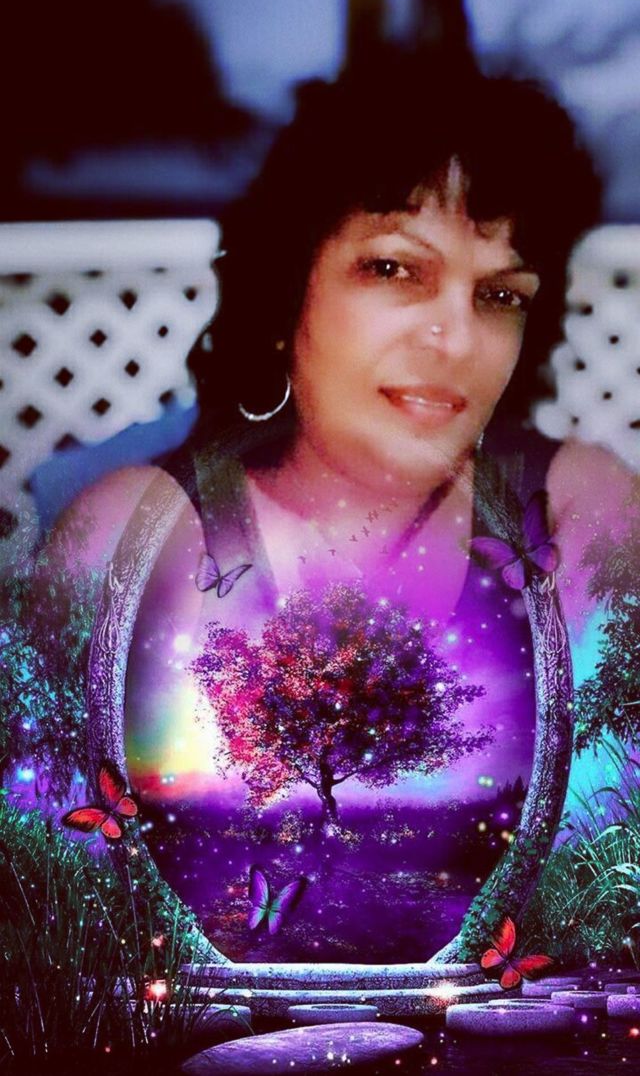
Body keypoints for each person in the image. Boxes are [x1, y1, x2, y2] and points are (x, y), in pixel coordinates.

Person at [51, 49, 631, 961]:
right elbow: (44, 902)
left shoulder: (573, 512)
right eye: (395, 269)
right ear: (290, 286)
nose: (457, 337)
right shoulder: (129, 536)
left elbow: (613, 876)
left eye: (498, 294)